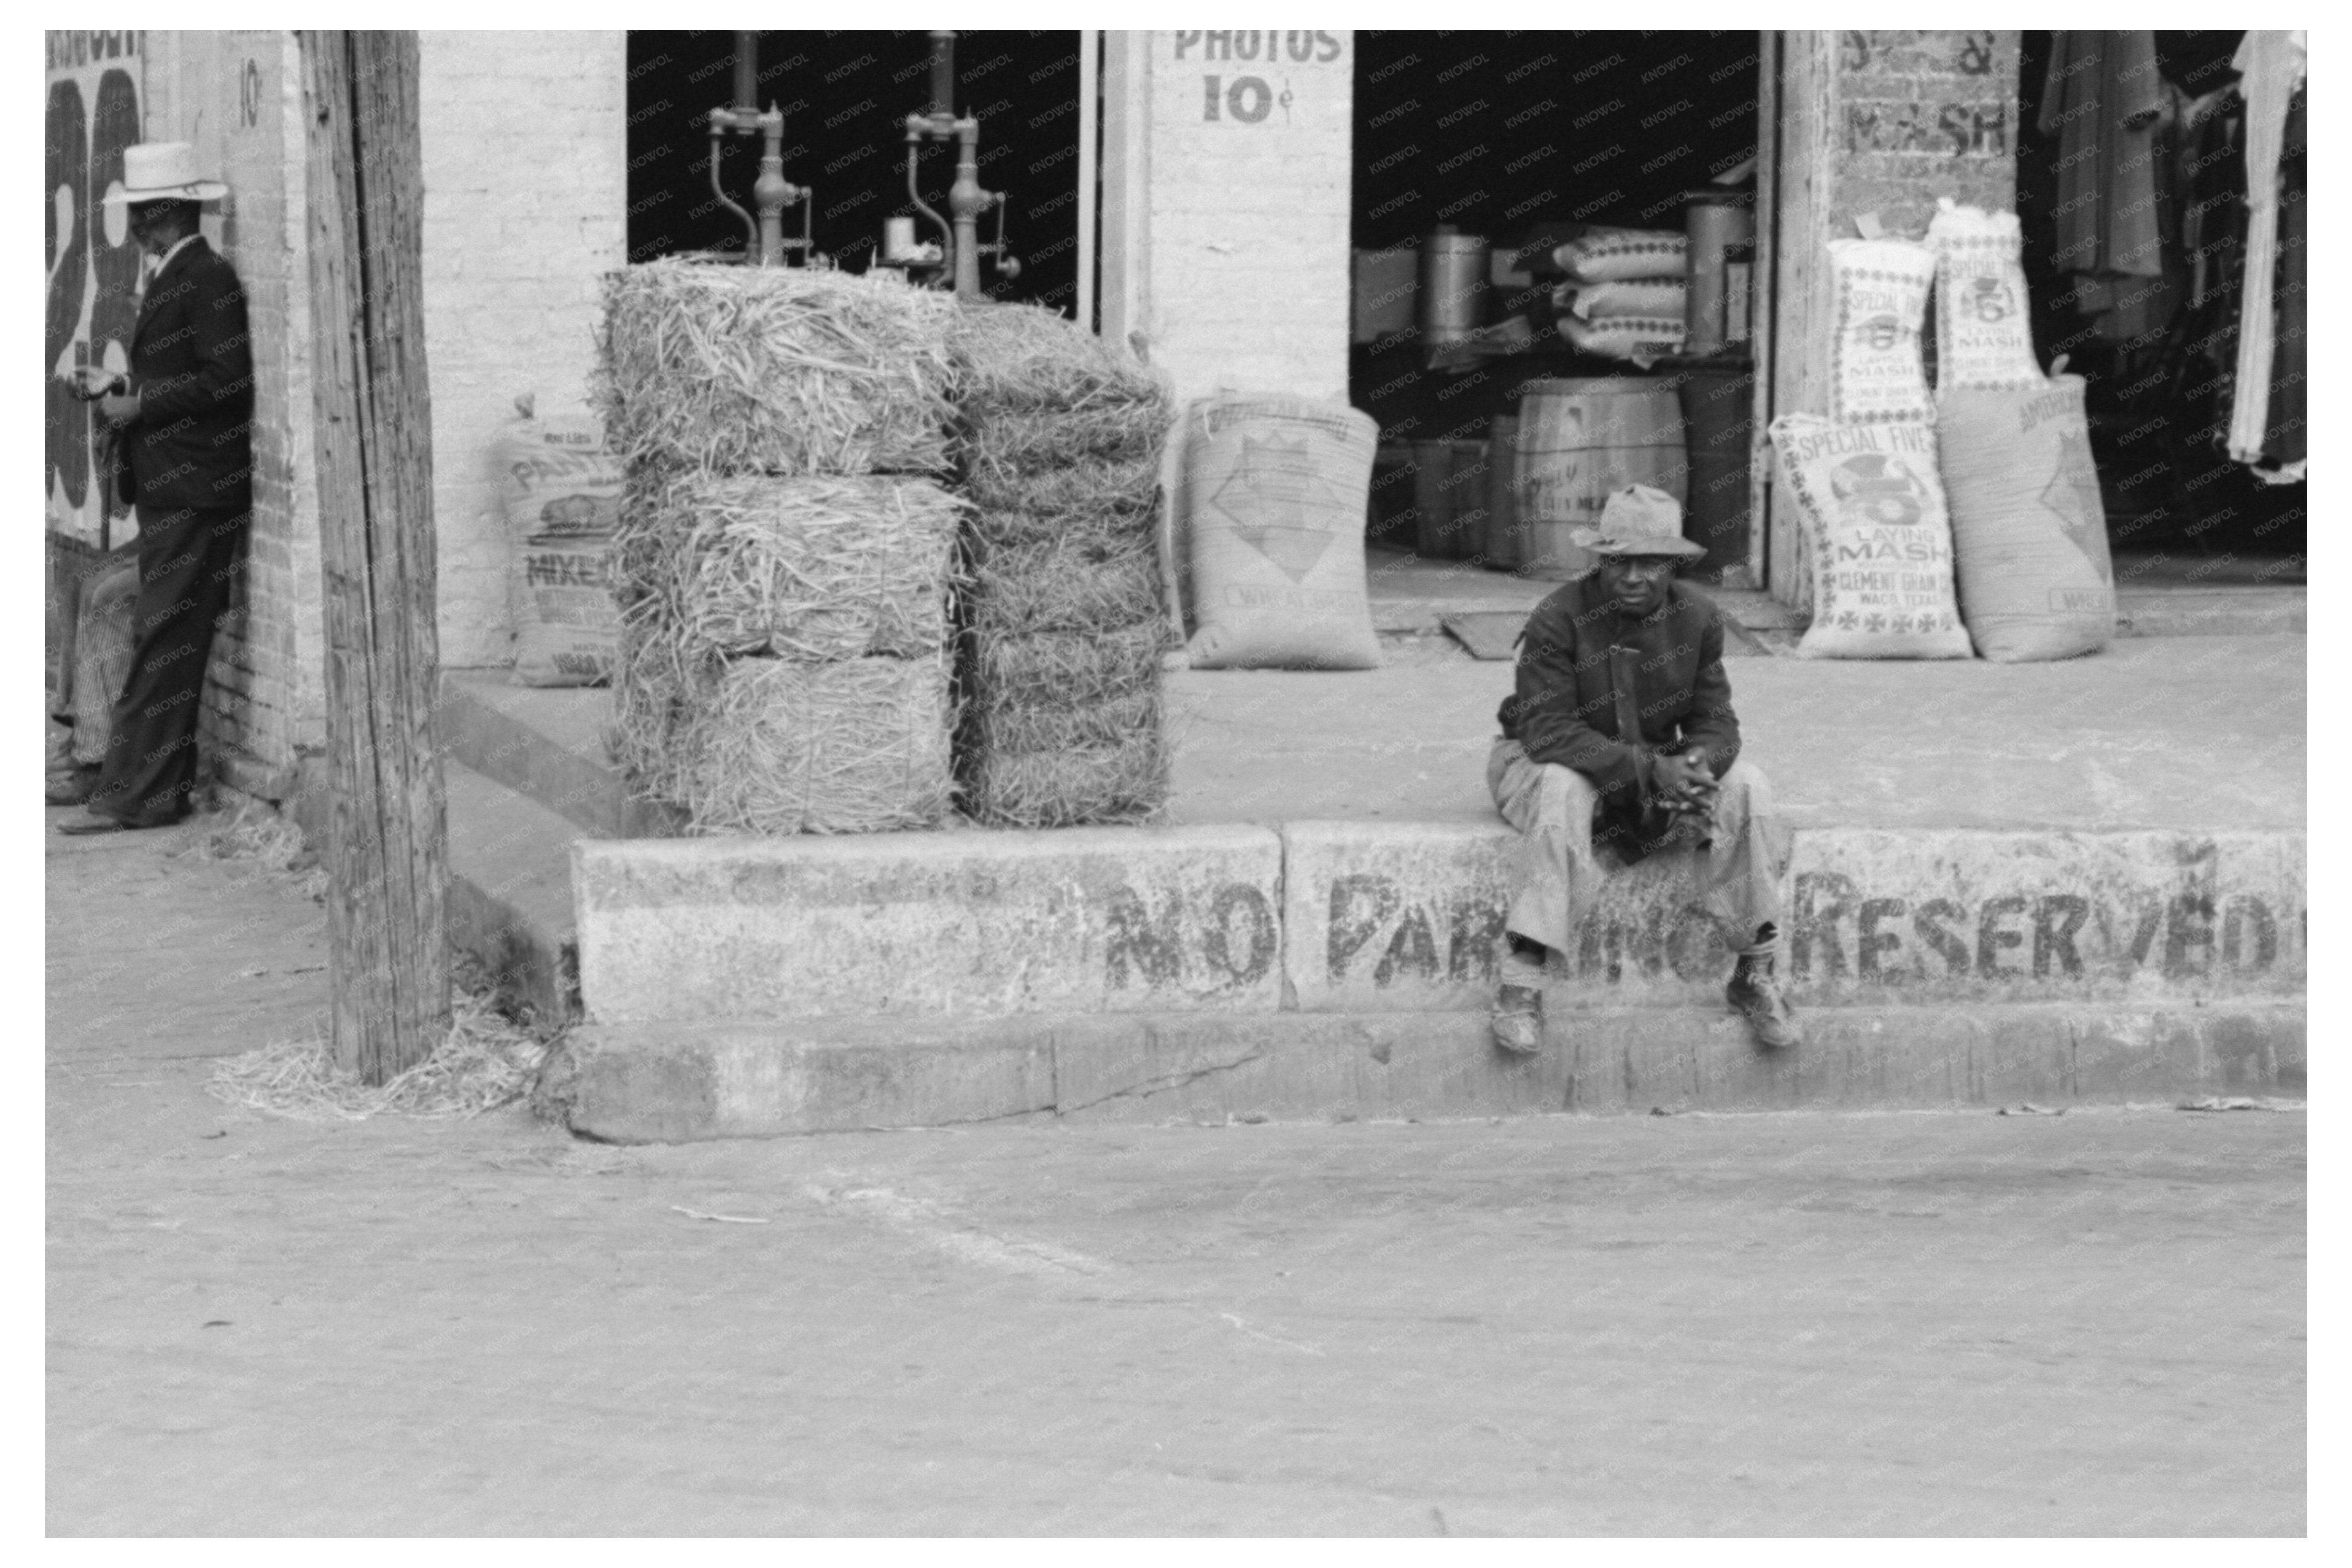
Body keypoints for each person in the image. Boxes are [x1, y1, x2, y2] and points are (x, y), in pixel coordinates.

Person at [1487, 484, 1799, 1054]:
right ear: (1600, 563)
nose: (1632, 577)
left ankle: (1754, 972)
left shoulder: (1698, 618)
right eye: (1618, 562)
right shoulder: (1557, 617)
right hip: (1543, 765)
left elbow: (1716, 720)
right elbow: (1547, 731)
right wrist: (1650, 769)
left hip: (1646, 770)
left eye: (1649, 563)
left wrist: (1695, 765)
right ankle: (1522, 980)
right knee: (1563, 787)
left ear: (1672, 566)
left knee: (1748, 783)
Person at [53, 142, 252, 834]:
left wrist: (140, 405)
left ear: (168, 211)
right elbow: (188, 376)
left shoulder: (208, 278)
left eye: (142, 216)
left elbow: (227, 382)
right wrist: (123, 386)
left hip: (198, 486)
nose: (135, 230)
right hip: (176, 485)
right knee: (133, 615)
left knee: (167, 636)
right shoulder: (180, 272)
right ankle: (115, 772)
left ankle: (141, 795)